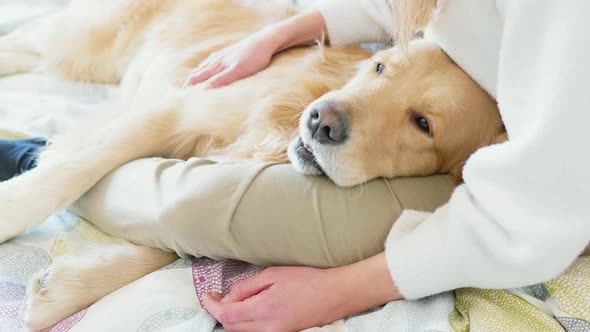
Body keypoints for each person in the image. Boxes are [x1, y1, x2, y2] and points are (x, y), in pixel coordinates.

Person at [2, 1, 589, 331]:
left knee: (315, 228)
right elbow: (428, 11)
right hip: (153, 24)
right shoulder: (337, 86)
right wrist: (287, 29)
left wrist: (335, 294)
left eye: (422, 123)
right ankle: (35, 160)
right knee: (53, 50)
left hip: (524, 192)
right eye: (382, 69)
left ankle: (39, 161)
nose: (328, 116)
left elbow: (537, 208)